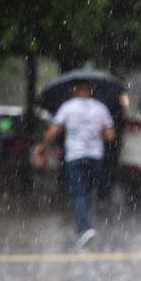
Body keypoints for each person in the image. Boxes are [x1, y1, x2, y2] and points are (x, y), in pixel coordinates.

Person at [33, 80, 115, 249]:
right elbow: (110, 135)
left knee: (78, 194)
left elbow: (55, 130)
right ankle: (83, 227)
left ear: (74, 91)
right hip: (95, 157)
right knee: (87, 192)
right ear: (89, 91)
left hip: (75, 156)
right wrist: (95, 129)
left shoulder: (68, 107)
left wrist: (42, 146)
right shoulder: (100, 108)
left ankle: (85, 228)